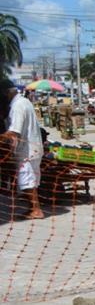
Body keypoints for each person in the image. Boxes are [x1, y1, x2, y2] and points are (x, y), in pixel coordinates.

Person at [1, 79, 44, 219]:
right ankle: (32, 208)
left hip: (27, 150)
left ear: (7, 93)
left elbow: (14, 132)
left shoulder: (17, 106)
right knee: (30, 180)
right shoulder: (24, 102)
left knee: (27, 180)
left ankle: (36, 210)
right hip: (33, 147)